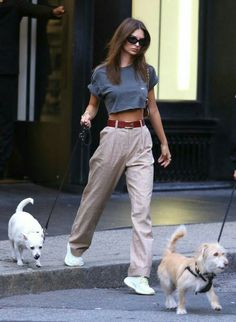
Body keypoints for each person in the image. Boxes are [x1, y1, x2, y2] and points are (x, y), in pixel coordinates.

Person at [64, 17, 171, 295]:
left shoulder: (146, 72)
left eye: (142, 40)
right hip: (112, 136)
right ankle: (76, 246)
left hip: (141, 138)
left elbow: (154, 109)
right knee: (95, 196)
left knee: (142, 210)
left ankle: (139, 274)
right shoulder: (102, 73)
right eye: (132, 39)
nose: (137, 45)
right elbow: (92, 105)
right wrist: (86, 117)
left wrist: (163, 143)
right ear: (121, 40)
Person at [0, 0, 65, 179]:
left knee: (6, 120)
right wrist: (53, 11)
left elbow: (34, 8)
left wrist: (53, 11)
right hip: (7, 70)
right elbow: (34, 9)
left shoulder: (13, 6)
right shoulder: (13, 6)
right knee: (6, 120)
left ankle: (2, 166)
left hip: (6, 71)